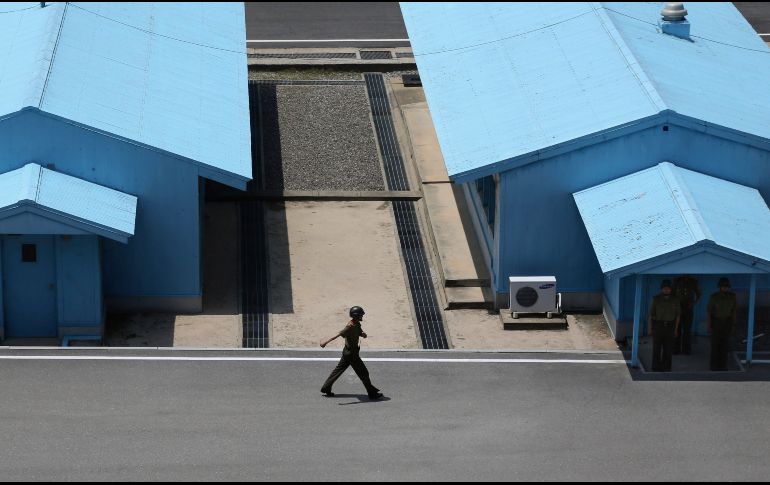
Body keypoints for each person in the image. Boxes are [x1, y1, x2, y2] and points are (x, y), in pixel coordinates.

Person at [320, 306, 383, 400]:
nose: (362, 316)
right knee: (363, 373)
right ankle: (372, 393)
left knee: (337, 371)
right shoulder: (350, 326)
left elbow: (359, 331)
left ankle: (326, 388)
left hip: (347, 353)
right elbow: (339, 334)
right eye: (361, 315)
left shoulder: (356, 324)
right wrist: (325, 342)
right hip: (352, 355)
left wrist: (362, 334)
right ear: (356, 316)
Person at [648, 279, 680, 372]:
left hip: (670, 326)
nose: (666, 290)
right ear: (662, 289)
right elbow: (651, 315)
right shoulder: (656, 299)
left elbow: (678, 316)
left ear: (671, 289)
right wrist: (650, 329)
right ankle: (656, 367)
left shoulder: (675, 300)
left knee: (668, 348)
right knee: (656, 348)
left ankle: (666, 367)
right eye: (664, 288)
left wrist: (676, 329)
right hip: (658, 326)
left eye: (668, 288)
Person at [707, 277, 737, 371]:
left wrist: (733, 324)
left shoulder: (732, 296)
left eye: (726, 286)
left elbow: (733, 311)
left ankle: (723, 366)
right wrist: (709, 325)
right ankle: (714, 366)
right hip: (716, 322)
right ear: (719, 287)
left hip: (727, 322)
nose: (725, 288)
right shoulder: (714, 297)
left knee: (725, 346)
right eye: (723, 286)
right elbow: (709, 312)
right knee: (715, 346)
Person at [673, 274, 701, 355]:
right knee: (677, 329)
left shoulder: (693, 282)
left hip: (688, 308)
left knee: (687, 330)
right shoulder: (676, 281)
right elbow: (672, 294)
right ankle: (676, 349)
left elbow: (699, 294)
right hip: (678, 308)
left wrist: (693, 303)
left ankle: (686, 350)